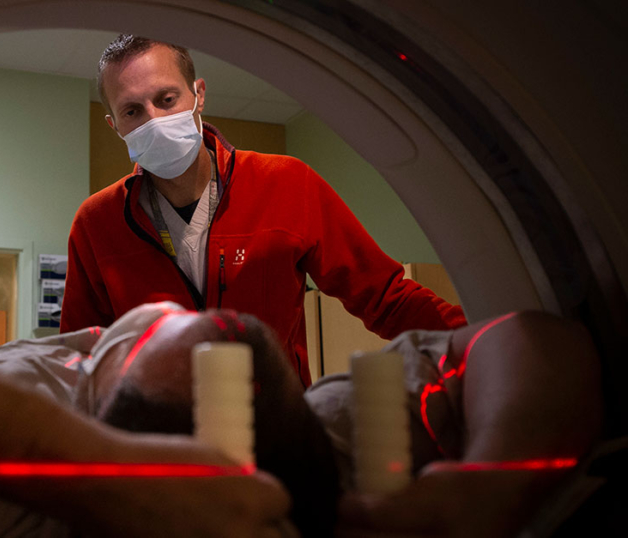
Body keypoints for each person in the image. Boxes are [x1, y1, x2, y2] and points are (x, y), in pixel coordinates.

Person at [0, 276, 601, 537]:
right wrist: (496, 486)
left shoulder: (3, 481)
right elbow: (524, 335)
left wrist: (100, 479)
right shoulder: (339, 442)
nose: (229, 336)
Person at [61, 34, 467, 387]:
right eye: (133, 111)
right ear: (115, 126)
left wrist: (480, 343)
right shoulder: (97, 224)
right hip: (161, 447)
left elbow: (386, 297)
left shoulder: (287, 184)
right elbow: (80, 359)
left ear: (198, 94)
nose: (155, 119)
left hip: (278, 431)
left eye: (167, 99)